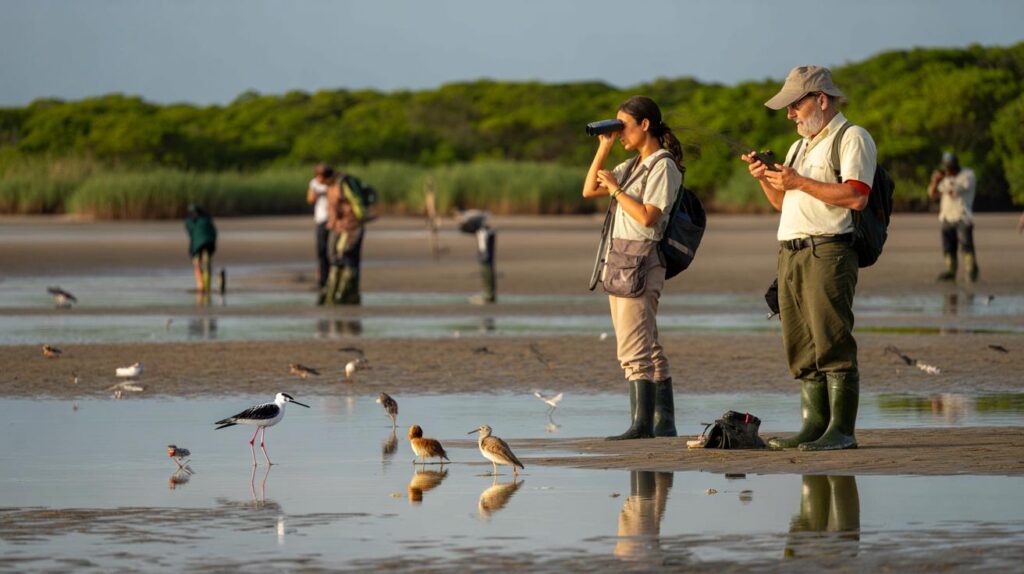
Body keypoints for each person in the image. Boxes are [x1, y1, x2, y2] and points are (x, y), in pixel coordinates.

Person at [741, 65, 876, 451]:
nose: (789, 114)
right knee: (800, 345)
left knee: (832, 341)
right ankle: (814, 426)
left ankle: (842, 431)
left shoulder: (853, 138)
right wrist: (767, 180)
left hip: (828, 251)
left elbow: (856, 196)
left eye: (794, 105)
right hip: (791, 252)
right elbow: (784, 204)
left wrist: (798, 180)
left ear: (820, 99)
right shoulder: (798, 145)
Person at [583, 95, 683, 440]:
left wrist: (615, 190)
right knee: (648, 344)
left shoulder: (662, 165)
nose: (620, 132)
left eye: (622, 126)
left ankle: (642, 426)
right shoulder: (635, 165)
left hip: (642, 260)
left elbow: (647, 216)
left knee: (633, 348)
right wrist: (604, 147)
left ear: (645, 125)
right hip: (621, 260)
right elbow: (588, 189)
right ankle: (662, 422)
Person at [927, 152, 979, 282]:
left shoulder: (967, 175)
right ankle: (950, 271)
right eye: (946, 167)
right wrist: (935, 181)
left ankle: (971, 271)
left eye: (950, 167)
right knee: (948, 246)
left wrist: (945, 179)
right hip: (946, 216)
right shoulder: (944, 177)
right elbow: (932, 194)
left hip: (963, 216)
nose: (948, 170)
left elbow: (955, 192)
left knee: (966, 244)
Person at [323, 171, 366, 305]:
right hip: (338, 226)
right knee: (336, 256)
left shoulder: (343, 184)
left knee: (346, 256)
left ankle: (343, 294)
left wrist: (358, 219)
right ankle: (337, 291)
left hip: (350, 226)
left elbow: (356, 204)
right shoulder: (333, 186)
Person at [457, 209, 497, 304]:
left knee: (485, 262)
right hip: (486, 234)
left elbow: (479, 225)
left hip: (484, 236)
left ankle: (488, 295)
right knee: (486, 262)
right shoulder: (467, 219)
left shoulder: (467, 217)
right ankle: (489, 294)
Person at [307, 163, 332, 303]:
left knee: (333, 251)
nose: (319, 178)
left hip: (333, 221)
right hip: (320, 219)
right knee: (321, 251)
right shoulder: (314, 184)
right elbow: (309, 199)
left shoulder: (334, 184)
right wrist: (316, 192)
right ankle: (321, 280)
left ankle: (329, 280)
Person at [184, 204, 217, 293]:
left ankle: (201, 286)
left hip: (198, 245)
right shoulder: (207, 219)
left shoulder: (190, 221)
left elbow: (192, 234)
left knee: (197, 264)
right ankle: (207, 287)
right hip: (209, 244)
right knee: (207, 265)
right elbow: (214, 232)